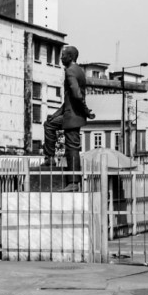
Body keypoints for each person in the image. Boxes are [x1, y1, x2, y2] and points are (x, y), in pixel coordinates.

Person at [41, 45, 96, 192]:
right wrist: (55, 115)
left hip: (73, 116)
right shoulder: (79, 70)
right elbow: (69, 100)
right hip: (71, 113)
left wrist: (85, 110)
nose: (61, 58)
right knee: (50, 124)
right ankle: (50, 159)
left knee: (72, 148)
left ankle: (73, 182)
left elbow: (77, 95)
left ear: (70, 57)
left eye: (63, 55)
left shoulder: (70, 71)